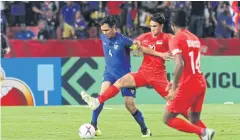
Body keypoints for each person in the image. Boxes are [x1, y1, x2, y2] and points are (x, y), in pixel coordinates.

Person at [81, 13, 173, 135]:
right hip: (109, 73)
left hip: (125, 75)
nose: (104, 33)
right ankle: (94, 125)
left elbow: (140, 48)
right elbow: (138, 44)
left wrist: (150, 52)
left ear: (114, 27)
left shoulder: (124, 40)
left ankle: (145, 130)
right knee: (102, 95)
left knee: (130, 105)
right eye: (102, 30)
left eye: (107, 30)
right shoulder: (103, 37)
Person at [163, 9, 215, 140]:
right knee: (194, 118)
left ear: (172, 24)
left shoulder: (176, 39)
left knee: (167, 118)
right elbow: (189, 65)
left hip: (189, 84)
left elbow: (179, 64)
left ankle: (204, 132)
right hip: (200, 82)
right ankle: (205, 134)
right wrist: (176, 81)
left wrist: (174, 88)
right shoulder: (194, 38)